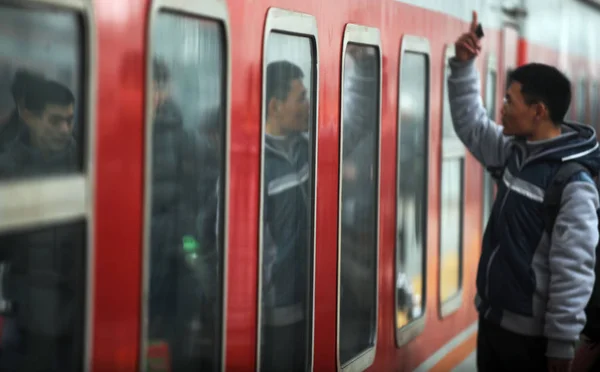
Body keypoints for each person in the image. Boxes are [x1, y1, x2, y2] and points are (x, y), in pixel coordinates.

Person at [448, 11, 600, 372]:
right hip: (493, 322)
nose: (500, 110)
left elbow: (573, 269)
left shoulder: (572, 184)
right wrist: (462, 66)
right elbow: (471, 124)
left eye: (508, 102)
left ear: (538, 111)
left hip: (530, 341)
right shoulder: (514, 153)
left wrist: (561, 349)